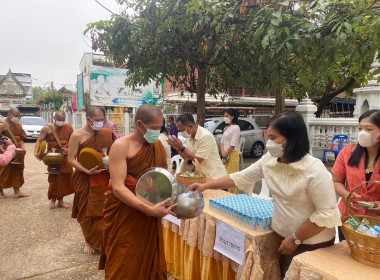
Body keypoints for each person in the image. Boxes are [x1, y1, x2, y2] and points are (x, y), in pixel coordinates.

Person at [186, 111, 341, 277]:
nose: (268, 144)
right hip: (284, 235)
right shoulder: (270, 159)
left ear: (292, 139)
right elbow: (240, 177)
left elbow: (326, 214)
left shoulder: (314, 170)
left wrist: (296, 238)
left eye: (274, 138)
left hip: (311, 243)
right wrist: (205, 186)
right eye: (268, 137)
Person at [99, 104, 176, 280]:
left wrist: (174, 204)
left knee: (149, 259)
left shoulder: (157, 146)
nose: (158, 132)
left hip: (149, 213)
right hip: (126, 213)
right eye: (154, 128)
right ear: (140, 124)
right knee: (124, 262)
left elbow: (163, 181)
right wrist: (148, 210)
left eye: (160, 127)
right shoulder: (120, 146)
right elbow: (118, 187)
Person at [68, 106, 115, 254]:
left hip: (103, 175)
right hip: (85, 177)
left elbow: (113, 153)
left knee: (104, 209)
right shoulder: (77, 135)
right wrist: (87, 170)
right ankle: (87, 240)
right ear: (88, 119)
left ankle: (103, 239)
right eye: (98, 120)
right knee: (86, 210)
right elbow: (70, 159)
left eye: (103, 120)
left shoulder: (107, 133)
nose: (101, 123)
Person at [332, 109, 380, 240]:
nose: (363, 133)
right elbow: (337, 181)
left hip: (377, 225)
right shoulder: (347, 153)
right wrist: (346, 195)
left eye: (369, 129)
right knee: (347, 252)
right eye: (360, 129)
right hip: (350, 218)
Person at [34, 111, 75, 209]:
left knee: (65, 178)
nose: (61, 122)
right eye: (59, 120)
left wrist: (68, 149)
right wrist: (36, 151)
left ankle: (61, 201)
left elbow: (73, 141)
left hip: (65, 157)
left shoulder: (69, 128)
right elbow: (39, 141)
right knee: (54, 178)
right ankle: (53, 199)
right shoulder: (47, 129)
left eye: (63, 120)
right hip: (52, 157)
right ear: (54, 118)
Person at [167, 113, 227, 180]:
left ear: (190, 126)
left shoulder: (205, 136)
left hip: (215, 177)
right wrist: (178, 149)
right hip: (201, 177)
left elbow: (198, 160)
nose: (181, 133)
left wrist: (182, 148)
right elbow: (187, 158)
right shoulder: (189, 137)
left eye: (182, 130)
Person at [0, 108, 29, 199]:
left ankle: (17, 191)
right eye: (15, 116)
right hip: (5, 149)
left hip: (17, 151)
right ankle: (0, 192)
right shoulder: (2, 125)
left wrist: (22, 147)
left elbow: (21, 138)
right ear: (9, 115)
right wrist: (5, 153)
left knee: (17, 170)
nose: (16, 118)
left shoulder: (17, 125)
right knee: (3, 172)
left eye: (18, 116)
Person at [221, 108, 241, 194]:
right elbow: (222, 142)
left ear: (232, 117)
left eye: (227, 116)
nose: (225, 117)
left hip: (232, 155)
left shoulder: (236, 128)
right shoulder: (226, 128)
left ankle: (232, 196)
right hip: (225, 155)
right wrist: (223, 154)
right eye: (224, 116)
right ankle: (224, 194)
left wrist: (225, 155)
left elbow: (233, 144)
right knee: (224, 177)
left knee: (232, 178)